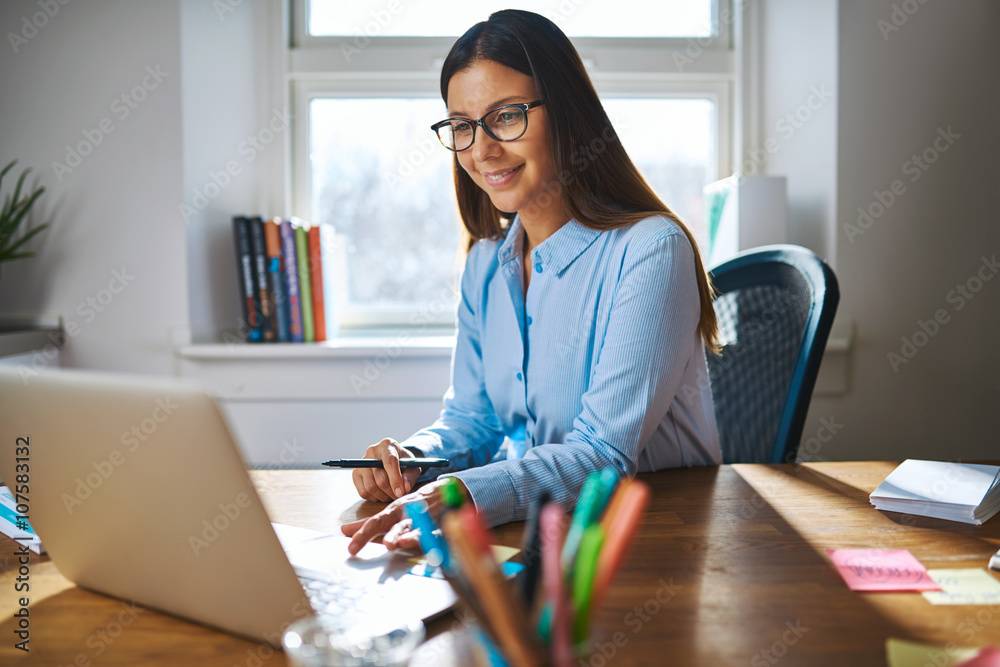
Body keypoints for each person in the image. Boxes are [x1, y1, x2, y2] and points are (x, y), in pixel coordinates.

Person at [342, 9, 721, 556]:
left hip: (655, 539)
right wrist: (413, 460)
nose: (481, 149)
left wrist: (461, 493)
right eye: (462, 125)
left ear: (567, 114)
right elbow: (473, 419)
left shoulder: (651, 250)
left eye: (506, 116)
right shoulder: (485, 262)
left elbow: (601, 455)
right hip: (540, 534)